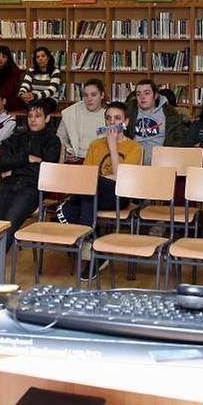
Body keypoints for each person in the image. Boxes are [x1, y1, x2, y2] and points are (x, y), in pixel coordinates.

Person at [0, 99, 61, 283]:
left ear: (47, 118)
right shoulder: (17, 137)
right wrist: (28, 159)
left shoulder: (52, 140)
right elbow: (1, 161)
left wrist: (15, 167)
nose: (33, 120)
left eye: (38, 116)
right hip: (9, 184)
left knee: (10, 221)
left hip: (32, 188)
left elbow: (46, 169)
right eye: (30, 116)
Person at [58, 101, 143, 281]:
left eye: (117, 118)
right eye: (108, 118)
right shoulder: (95, 145)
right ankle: (98, 248)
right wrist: (106, 177)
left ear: (126, 122)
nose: (112, 122)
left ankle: (87, 236)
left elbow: (121, 179)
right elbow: (86, 177)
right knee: (85, 195)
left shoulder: (135, 148)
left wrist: (112, 146)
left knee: (73, 203)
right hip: (94, 192)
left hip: (119, 196)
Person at [124, 78, 188, 165]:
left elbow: (178, 137)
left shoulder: (169, 113)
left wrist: (168, 156)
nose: (142, 97)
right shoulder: (129, 110)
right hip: (134, 161)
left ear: (155, 95)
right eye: (138, 94)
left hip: (161, 162)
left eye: (147, 93)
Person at [57, 78, 107, 163]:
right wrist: (65, 153)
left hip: (100, 160)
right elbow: (60, 137)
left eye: (93, 95)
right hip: (76, 159)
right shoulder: (71, 112)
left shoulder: (110, 114)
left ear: (102, 95)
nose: (89, 99)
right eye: (86, 95)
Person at [0, 45, 24, 111]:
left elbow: (9, 90)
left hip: (9, 100)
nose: (0, 59)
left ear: (8, 59)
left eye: (4, 57)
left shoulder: (14, 70)